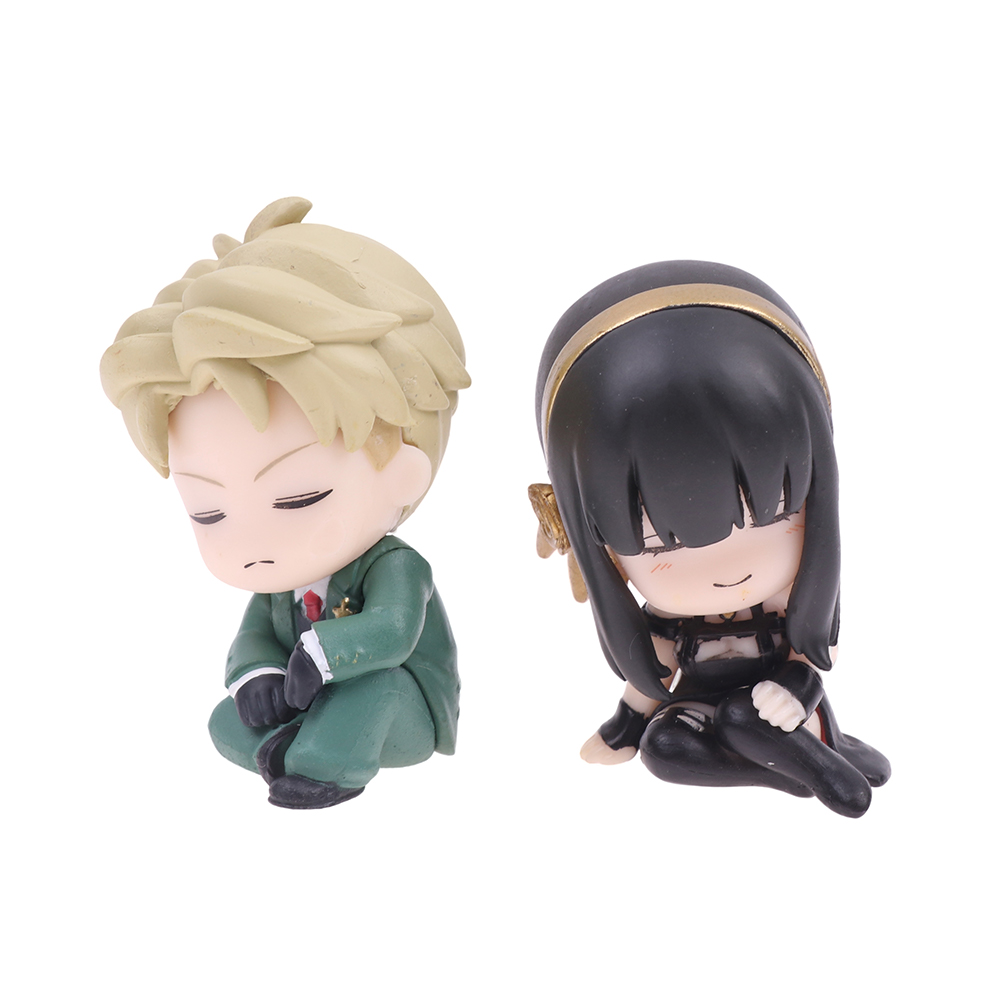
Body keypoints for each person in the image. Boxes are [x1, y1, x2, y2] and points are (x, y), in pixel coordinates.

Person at [101, 197, 469, 809]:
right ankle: (293, 749)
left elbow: (394, 631)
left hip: (400, 705)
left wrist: (321, 655)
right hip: (309, 701)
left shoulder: (396, 566)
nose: (253, 544)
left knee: (372, 691)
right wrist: (257, 676)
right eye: (208, 512)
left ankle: (328, 765)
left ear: (404, 475)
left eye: (300, 499)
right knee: (226, 719)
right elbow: (252, 638)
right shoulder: (277, 583)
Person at [530, 260, 889, 817]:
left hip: (791, 718)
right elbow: (650, 682)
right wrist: (623, 730)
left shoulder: (787, 606)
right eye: (661, 544)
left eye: (772, 515)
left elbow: (808, 662)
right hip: (705, 719)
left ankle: (820, 759)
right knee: (664, 746)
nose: (729, 566)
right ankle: (795, 777)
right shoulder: (670, 624)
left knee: (747, 716)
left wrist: (792, 692)